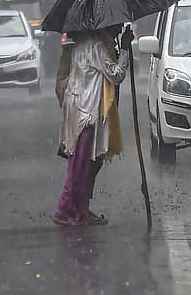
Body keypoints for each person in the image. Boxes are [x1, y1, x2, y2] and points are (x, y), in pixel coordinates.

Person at [53, 24, 132, 226]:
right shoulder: (95, 47)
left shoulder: (84, 44)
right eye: (117, 26)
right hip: (85, 112)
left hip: (79, 108)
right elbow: (116, 75)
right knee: (79, 165)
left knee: (87, 163)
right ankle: (64, 211)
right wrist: (124, 49)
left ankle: (81, 210)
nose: (119, 29)